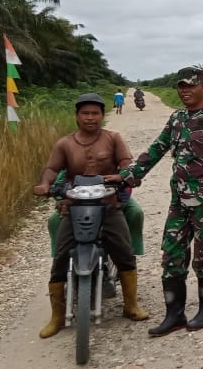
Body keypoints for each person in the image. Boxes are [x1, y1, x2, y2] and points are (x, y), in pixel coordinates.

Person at [114, 66, 203, 337]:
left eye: (191, 86)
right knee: (172, 255)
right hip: (179, 201)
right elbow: (158, 148)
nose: (185, 91)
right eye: (181, 86)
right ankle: (174, 314)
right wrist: (130, 175)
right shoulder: (177, 118)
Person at [32, 93, 148, 339]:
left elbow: (127, 162)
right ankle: (57, 316)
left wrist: (124, 175)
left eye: (95, 113)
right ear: (77, 116)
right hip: (75, 205)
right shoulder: (65, 143)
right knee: (61, 257)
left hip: (108, 204)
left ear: (102, 115)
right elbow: (52, 169)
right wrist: (44, 184)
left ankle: (131, 305)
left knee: (124, 252)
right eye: (85, 113)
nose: (90, 118)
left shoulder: (113, 138)